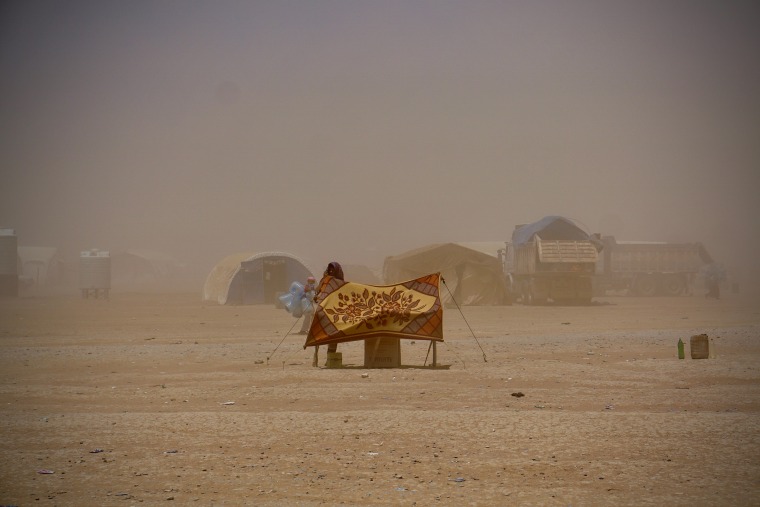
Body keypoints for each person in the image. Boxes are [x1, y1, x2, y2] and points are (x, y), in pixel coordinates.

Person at [312, 261, 344, 367]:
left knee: (333, 335)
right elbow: (319, 290)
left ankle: (330, 357)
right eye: (329, 269)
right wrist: (317, 296)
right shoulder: (325, 280)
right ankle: (316, 358)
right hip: (324, 310)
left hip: (335, 312)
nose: (330, 272)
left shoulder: (340, 282)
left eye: (332, 270)